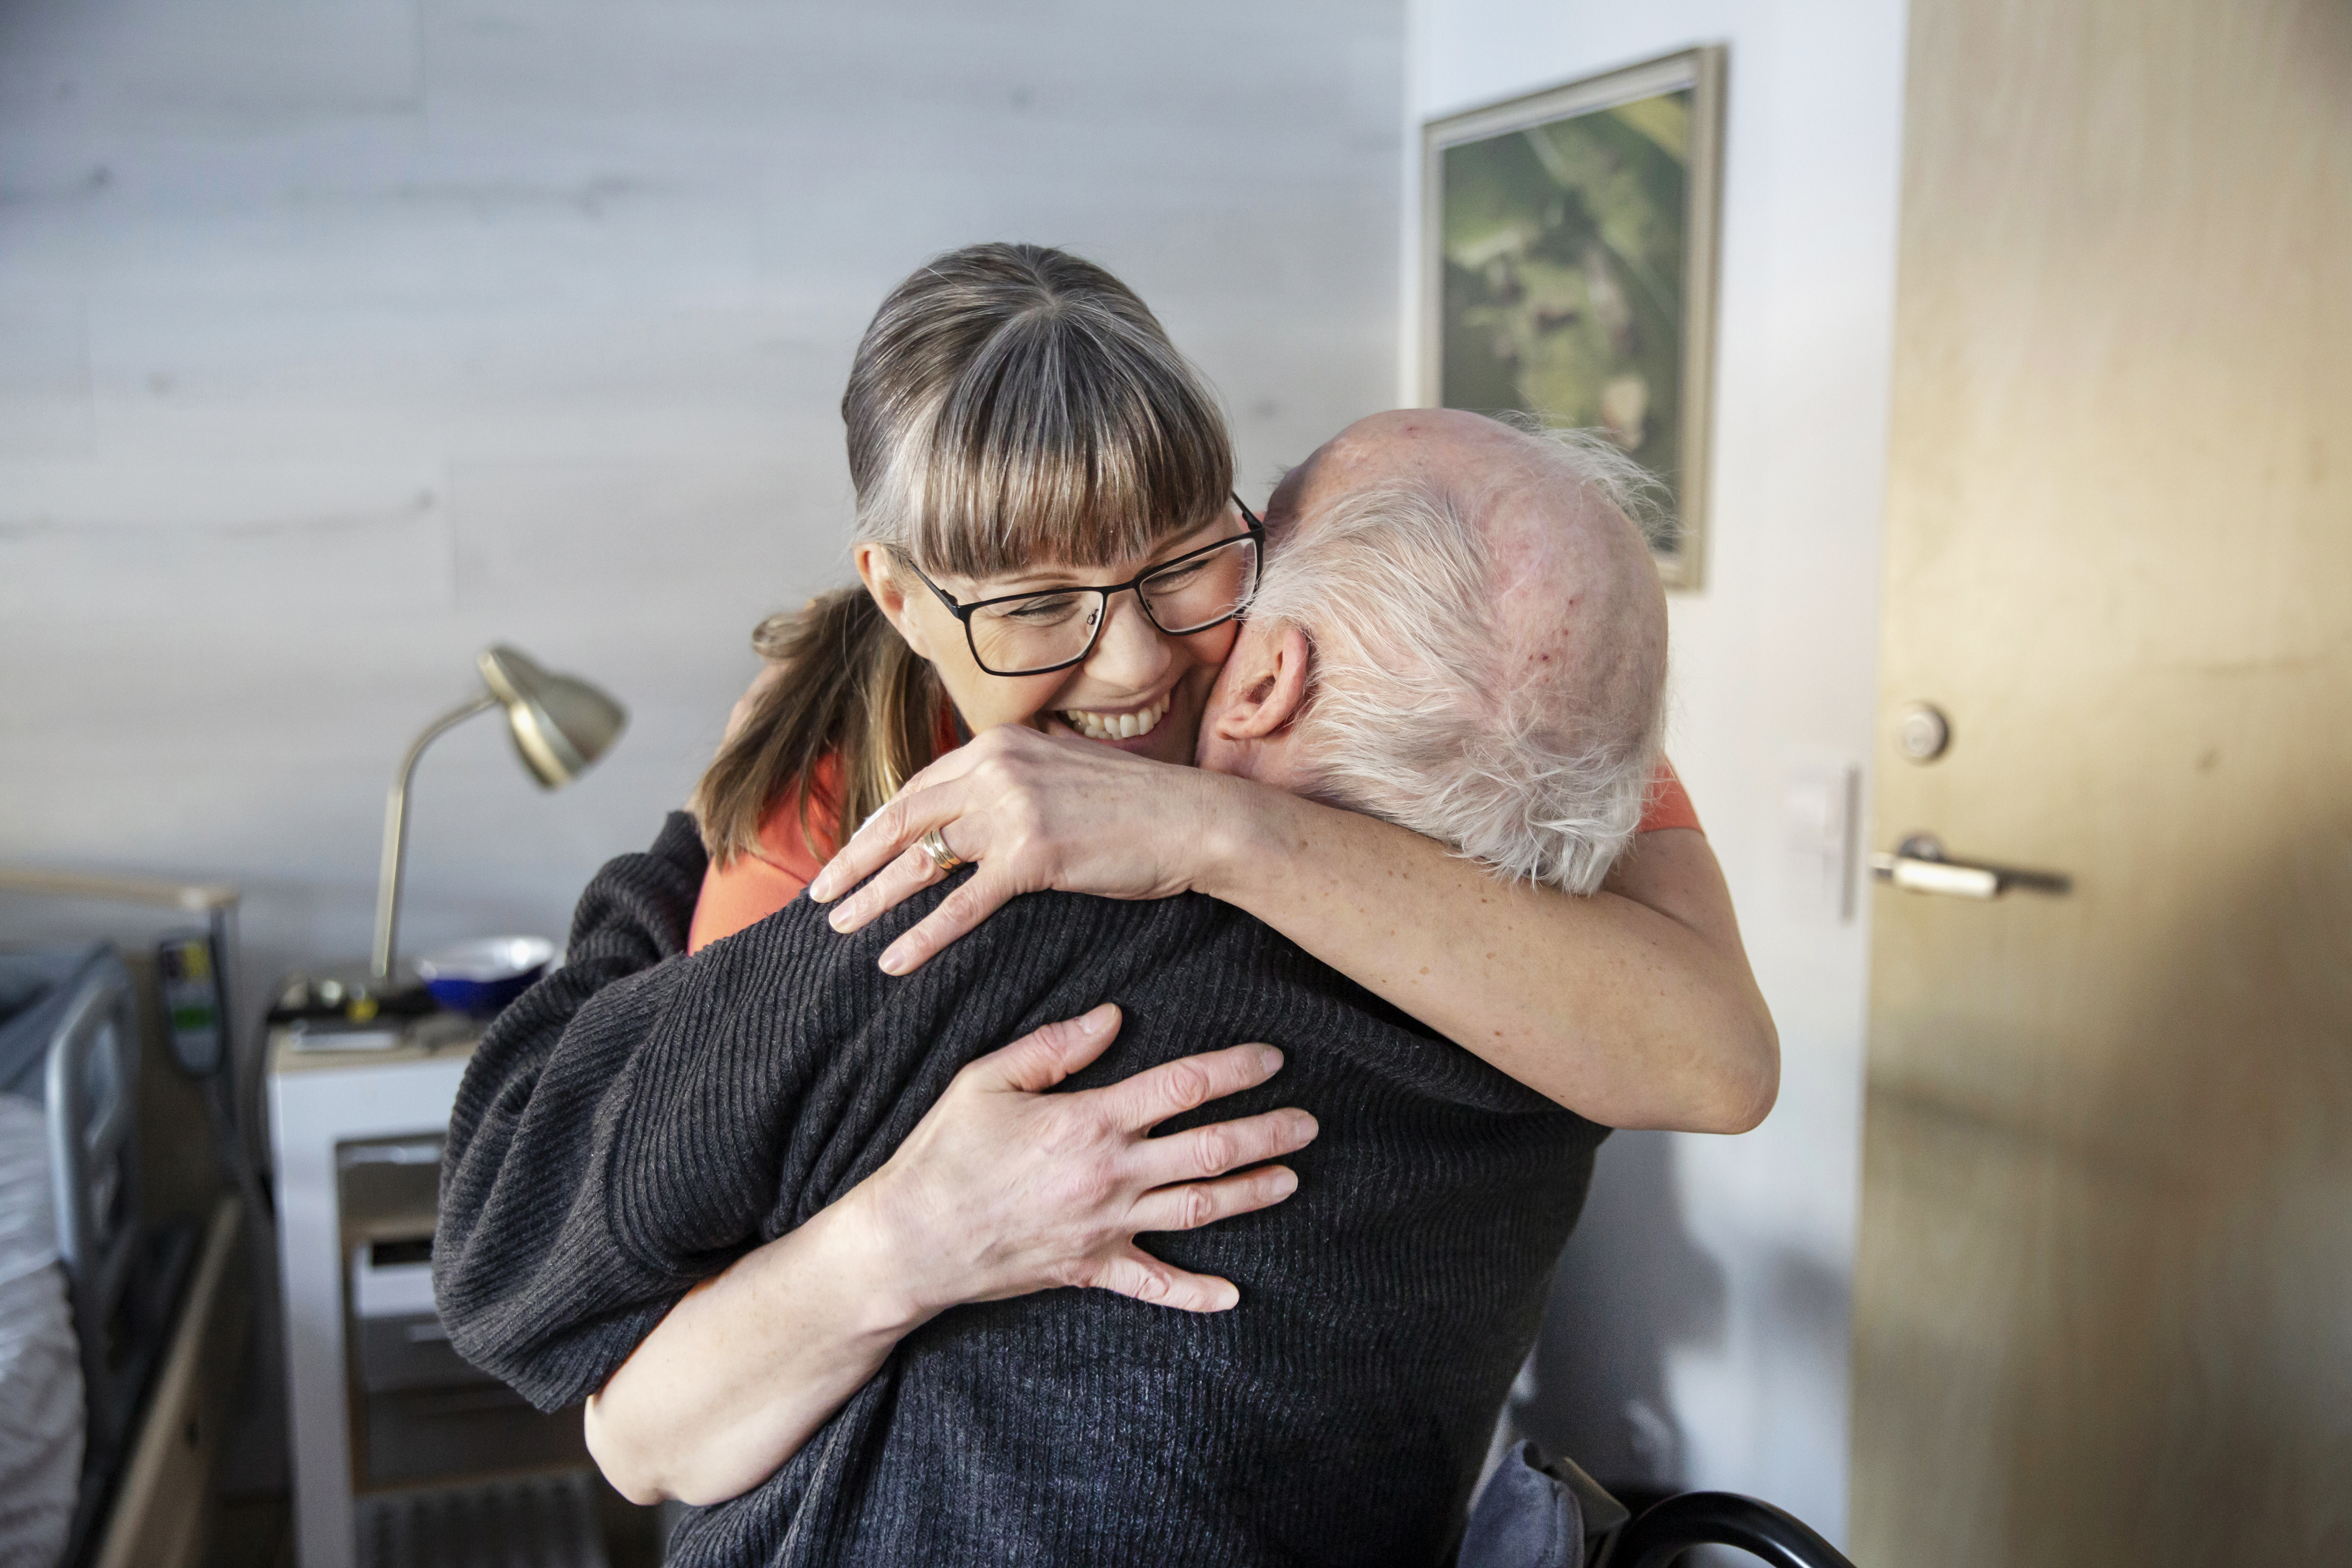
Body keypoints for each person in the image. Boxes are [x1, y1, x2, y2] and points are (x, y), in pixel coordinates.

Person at [438, 408, 1717, 1565]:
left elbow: (503, 1236)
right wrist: (903, 1240)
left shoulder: (997, 918)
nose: (1140, 656)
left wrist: (682, 832)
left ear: (1268, 678)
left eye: (1243, 542)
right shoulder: (1567, 1042)